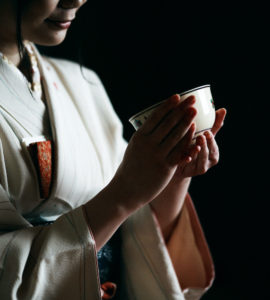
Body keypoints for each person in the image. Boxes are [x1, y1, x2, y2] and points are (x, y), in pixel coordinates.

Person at [0, 1, 227, 299]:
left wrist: (173, 176)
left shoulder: (83, 84)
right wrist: (123, 195)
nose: (77, 0)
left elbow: (137, 230)